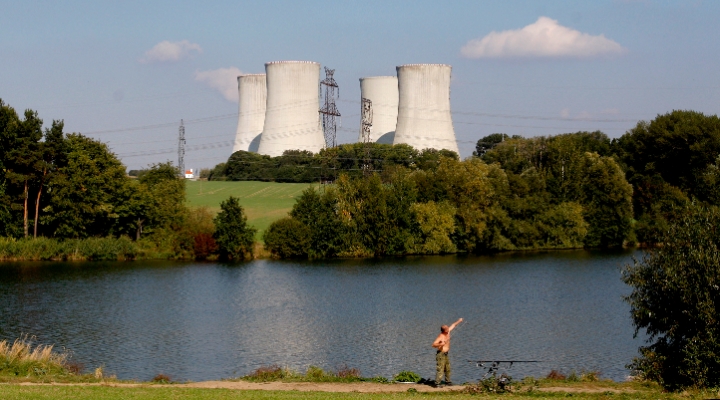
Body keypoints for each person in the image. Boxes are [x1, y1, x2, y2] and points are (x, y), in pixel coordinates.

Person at [431, 318, 463, 387]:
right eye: (447, 328)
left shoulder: (448, 333)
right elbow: (433, 344)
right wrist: (440, 344)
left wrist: (459, 321)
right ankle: (437, 383)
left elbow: (453, 325)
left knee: (448, 368)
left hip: (446, 354)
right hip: (441, 354)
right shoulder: (441, 336)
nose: (448, 328)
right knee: (441, 369)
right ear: (444, 330)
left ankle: (448, 382)